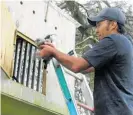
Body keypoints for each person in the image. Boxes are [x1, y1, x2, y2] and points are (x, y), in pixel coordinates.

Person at [38, 7, 133, 115]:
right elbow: (85, 68)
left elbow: (77, 66)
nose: (96, 30)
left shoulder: (113, 41)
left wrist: (53, 52)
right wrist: (56, 52)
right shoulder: (125, 44)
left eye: (99, 25)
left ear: (113, 25)